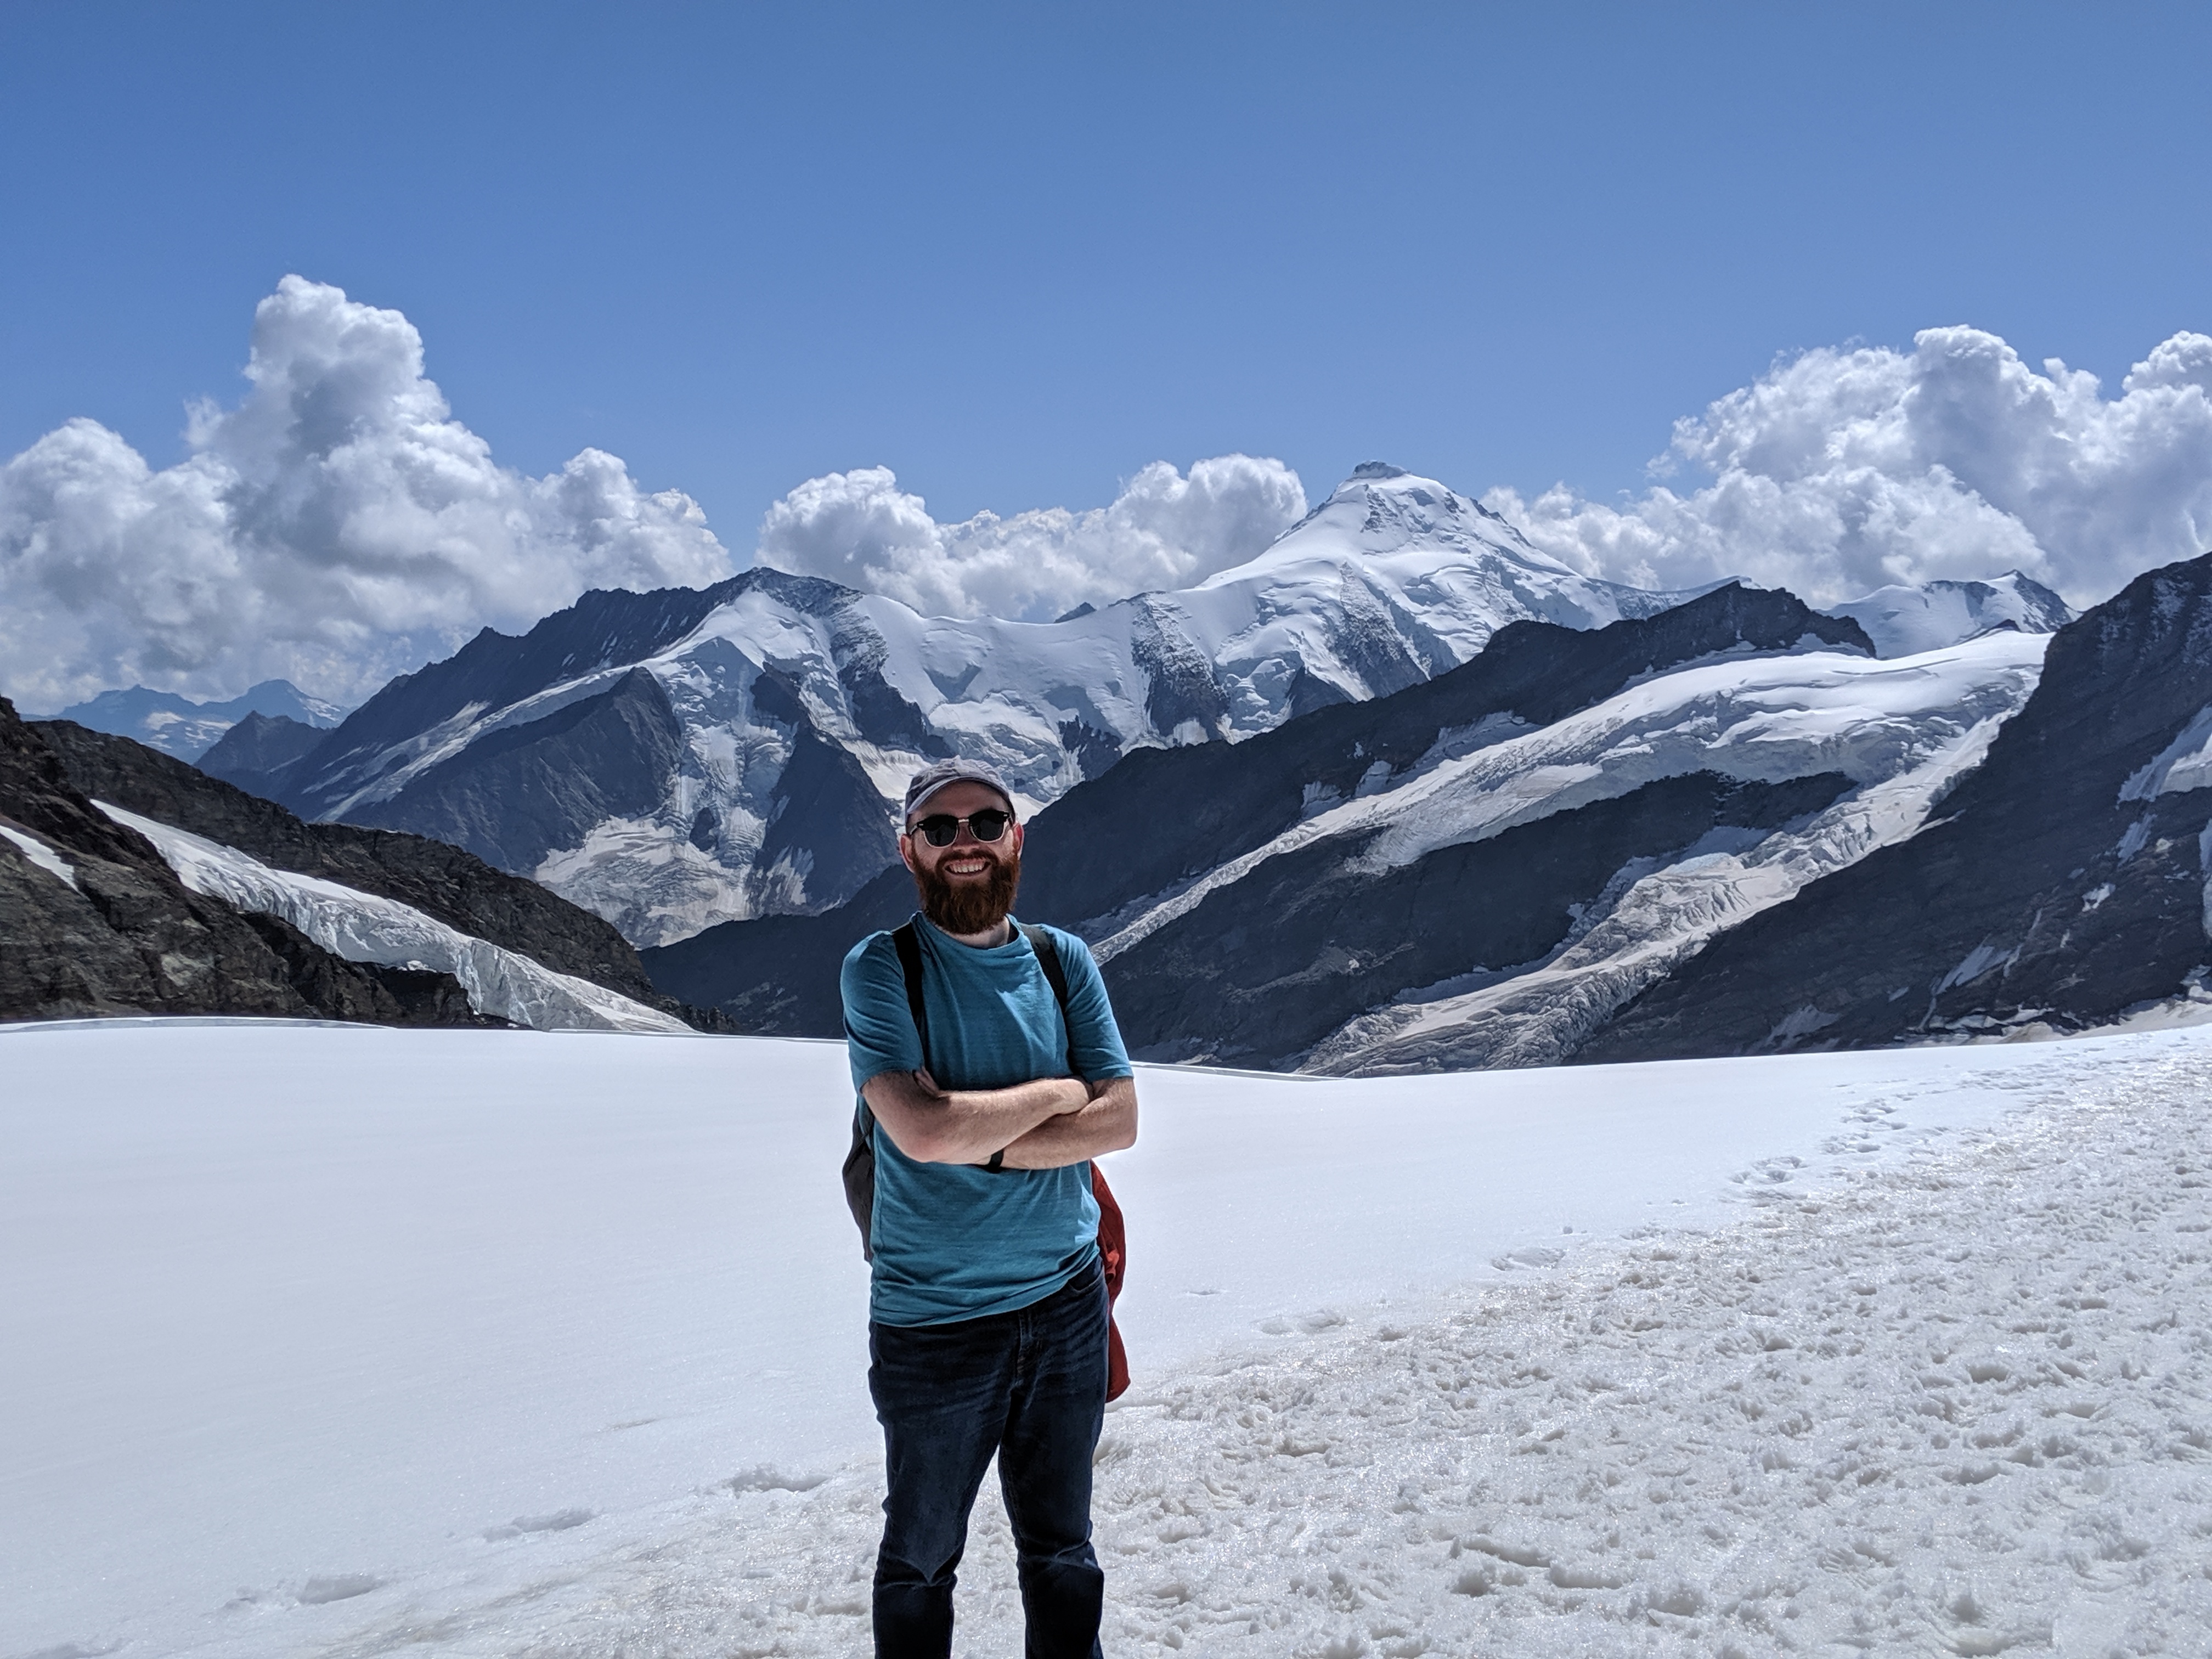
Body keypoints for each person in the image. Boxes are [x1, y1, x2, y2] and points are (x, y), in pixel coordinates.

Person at [840, 757, 1139, 1659]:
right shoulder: (880, 968)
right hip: (937, 1320)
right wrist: (1058, 1093)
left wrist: (984, 1138)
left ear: (1017, 837)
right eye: (940, 828)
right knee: (922, 1559)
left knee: (1064, 1548)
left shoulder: (1062, 959)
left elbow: (1120, 1119)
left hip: (1066, 1303)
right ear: (908, 849)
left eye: (984, 822)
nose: (964, 842)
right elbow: (921, 1133)